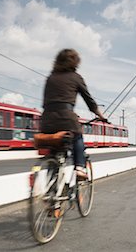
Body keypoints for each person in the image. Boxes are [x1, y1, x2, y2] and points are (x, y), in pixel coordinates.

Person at [40, 48, 106, 179]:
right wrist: (101, 116)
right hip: (66, 118)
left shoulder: (50, 78)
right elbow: (90, 102)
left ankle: (50, 188)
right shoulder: (76, 77)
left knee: (54, 150)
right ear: (75, 62)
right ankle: (80, 167)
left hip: (46, 120)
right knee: (77, 136)